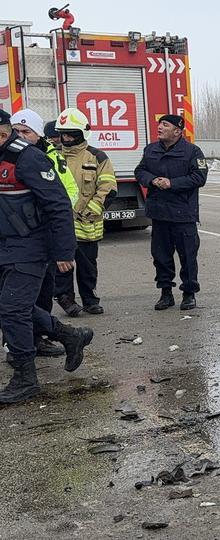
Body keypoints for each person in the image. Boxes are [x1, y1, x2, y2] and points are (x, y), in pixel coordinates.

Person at [0, 108, 94, 404]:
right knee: (15, 307)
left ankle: (26, 377)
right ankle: (69, 336)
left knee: (13, 310)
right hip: (5, 245)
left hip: (30, 246)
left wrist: (64, 251)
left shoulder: (27, 158)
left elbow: (57, 204)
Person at [9, 109, 78, 357]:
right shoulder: (8, 157)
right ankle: (20, 344)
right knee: (15, 301)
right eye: (15, 131)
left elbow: (63, 196)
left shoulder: (45, 158)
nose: (20, 136)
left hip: (42, 237)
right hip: (16, 240)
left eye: (26, 131)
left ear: (38, 135)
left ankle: (38, 340)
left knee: (40, 295)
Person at [135, 114, 208, 311]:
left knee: (188, 256)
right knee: (161, 257)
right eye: (159, 124)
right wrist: (152, 180)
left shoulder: (192, 151)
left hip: (183, 213)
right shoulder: (151, 150)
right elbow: (139, 172)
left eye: (165, 125)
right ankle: (165, 293)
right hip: (159, 213)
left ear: (177, 131)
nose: (159, 127)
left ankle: (189, 293)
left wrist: (172, 183)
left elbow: (199, 177)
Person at [53, 108, 117, 317]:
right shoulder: (53, 156)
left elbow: (108, 187)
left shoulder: (97, 156)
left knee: (88, 267)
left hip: (87, 224)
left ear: (81, 133)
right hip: (61, 225)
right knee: (63, 267)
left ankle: (90, 300)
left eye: (70, 133)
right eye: (63, 133)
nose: (66, 138)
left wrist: (92, 209)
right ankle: (66, 300)